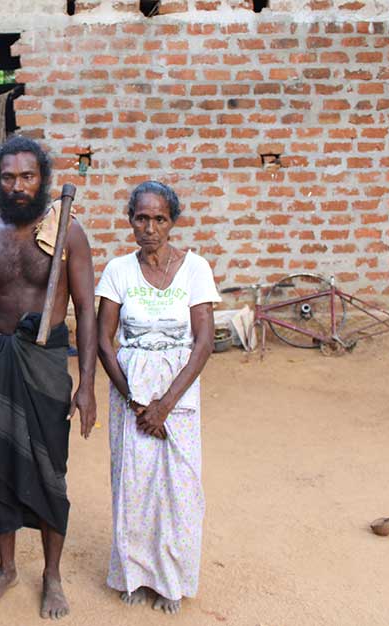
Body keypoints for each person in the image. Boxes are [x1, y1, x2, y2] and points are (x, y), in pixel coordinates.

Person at [0, 136, 98, 620]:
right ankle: (7, 567)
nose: (18, 186)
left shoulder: (67, 232)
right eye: (9, 177)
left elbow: (86, 312)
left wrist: (88, 387)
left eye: (28, 176)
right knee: (0, 471)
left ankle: (52, 575)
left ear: (43, 179)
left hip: (46, 367)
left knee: (49, 472)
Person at [95, 182, 220, 615]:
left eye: (159, 219)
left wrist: (164, 403)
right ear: (130, 220)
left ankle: (171, 580)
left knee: (179, 487)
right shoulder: (118, 270)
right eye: (141, 218)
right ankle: (132, 573)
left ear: (173, 221)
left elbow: (204, 342)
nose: (150, 228)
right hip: (129, 388)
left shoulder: (195, 269)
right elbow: (103, 340)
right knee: (133, 482)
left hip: (178, 389)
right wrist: (132, 399)